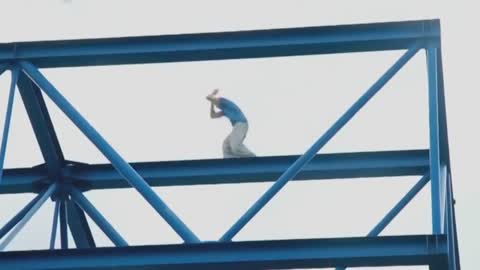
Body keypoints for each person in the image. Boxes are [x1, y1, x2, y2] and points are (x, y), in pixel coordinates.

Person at [206, 89, 256, 158]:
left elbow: (208, 97)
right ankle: (230, 161)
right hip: (237, 126)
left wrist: (213, 94)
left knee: (235, 146)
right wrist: (211, 103)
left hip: (241, 124)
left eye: (216, 104)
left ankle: (253, 157)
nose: (217, 106)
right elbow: (213, 115)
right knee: (226, 145)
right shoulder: (225, 110)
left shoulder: (224, 101)